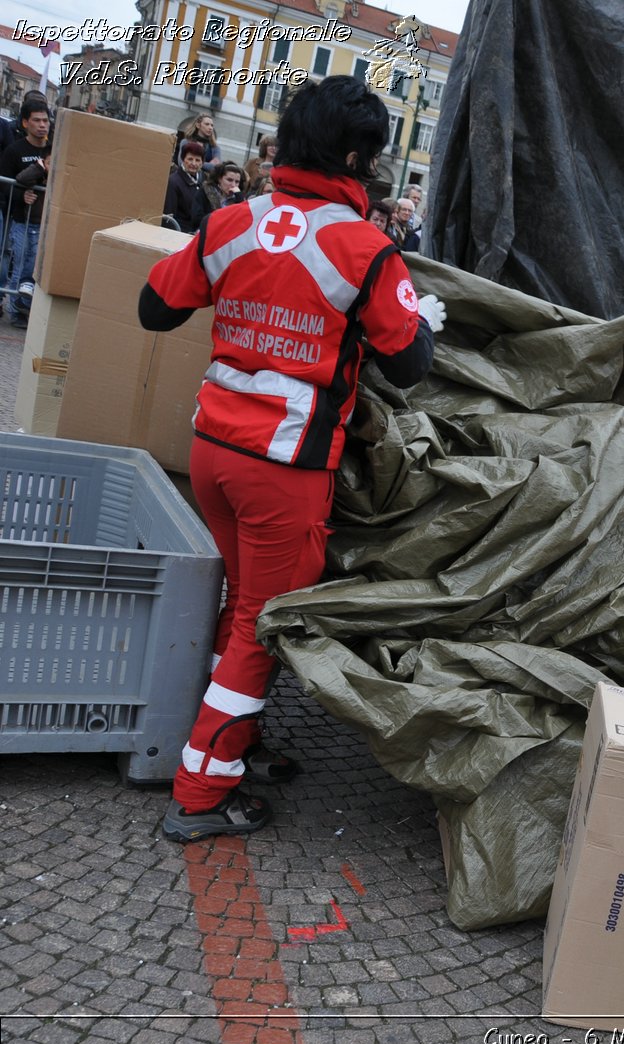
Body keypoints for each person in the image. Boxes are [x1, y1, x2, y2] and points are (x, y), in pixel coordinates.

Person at [142, 74, 444, 842]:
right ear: (352, 156)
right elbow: (409, 362)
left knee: (244, 603)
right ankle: (201, 793)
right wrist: (422, 318)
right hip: (284, 467)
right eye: (372, 159)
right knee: (261, 624)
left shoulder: (232, 221)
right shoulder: (365, 247)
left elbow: (155, 306)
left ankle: (232, 745)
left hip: (213, 448)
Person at [0, 97, 49, 328]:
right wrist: (21, 196)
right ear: (25, 123)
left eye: (45, 120)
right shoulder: (14, 150)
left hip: (43, 220)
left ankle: (26, 307)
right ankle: (16, 309)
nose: (42, 125)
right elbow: (5, 183)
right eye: (37, 120)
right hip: (19, 218)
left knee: (33, 266)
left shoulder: (53, 150)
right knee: (18, 263)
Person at [164, 140, 211, 234]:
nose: (193, 163)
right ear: (183, 159)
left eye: (197, 160)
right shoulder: (174, 181)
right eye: (190, 159)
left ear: (202, 162)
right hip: (180, 233)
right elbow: (169, 217)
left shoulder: (204, 179)